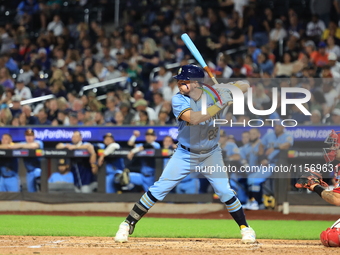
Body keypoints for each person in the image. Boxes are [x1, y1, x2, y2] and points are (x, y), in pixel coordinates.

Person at [114, 64, 256, 244]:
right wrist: (219, 104)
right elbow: (195, 118)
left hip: (211, 153)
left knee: (224, 191)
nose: (179, 85)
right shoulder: (179, 99)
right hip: (185, 153)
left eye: (184, 82)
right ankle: (127, 224)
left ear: (196, 83)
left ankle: (246, 228)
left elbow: (245, 84)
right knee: (160, 188)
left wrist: (229, 91)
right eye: (179, 82)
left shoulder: (214, 91)